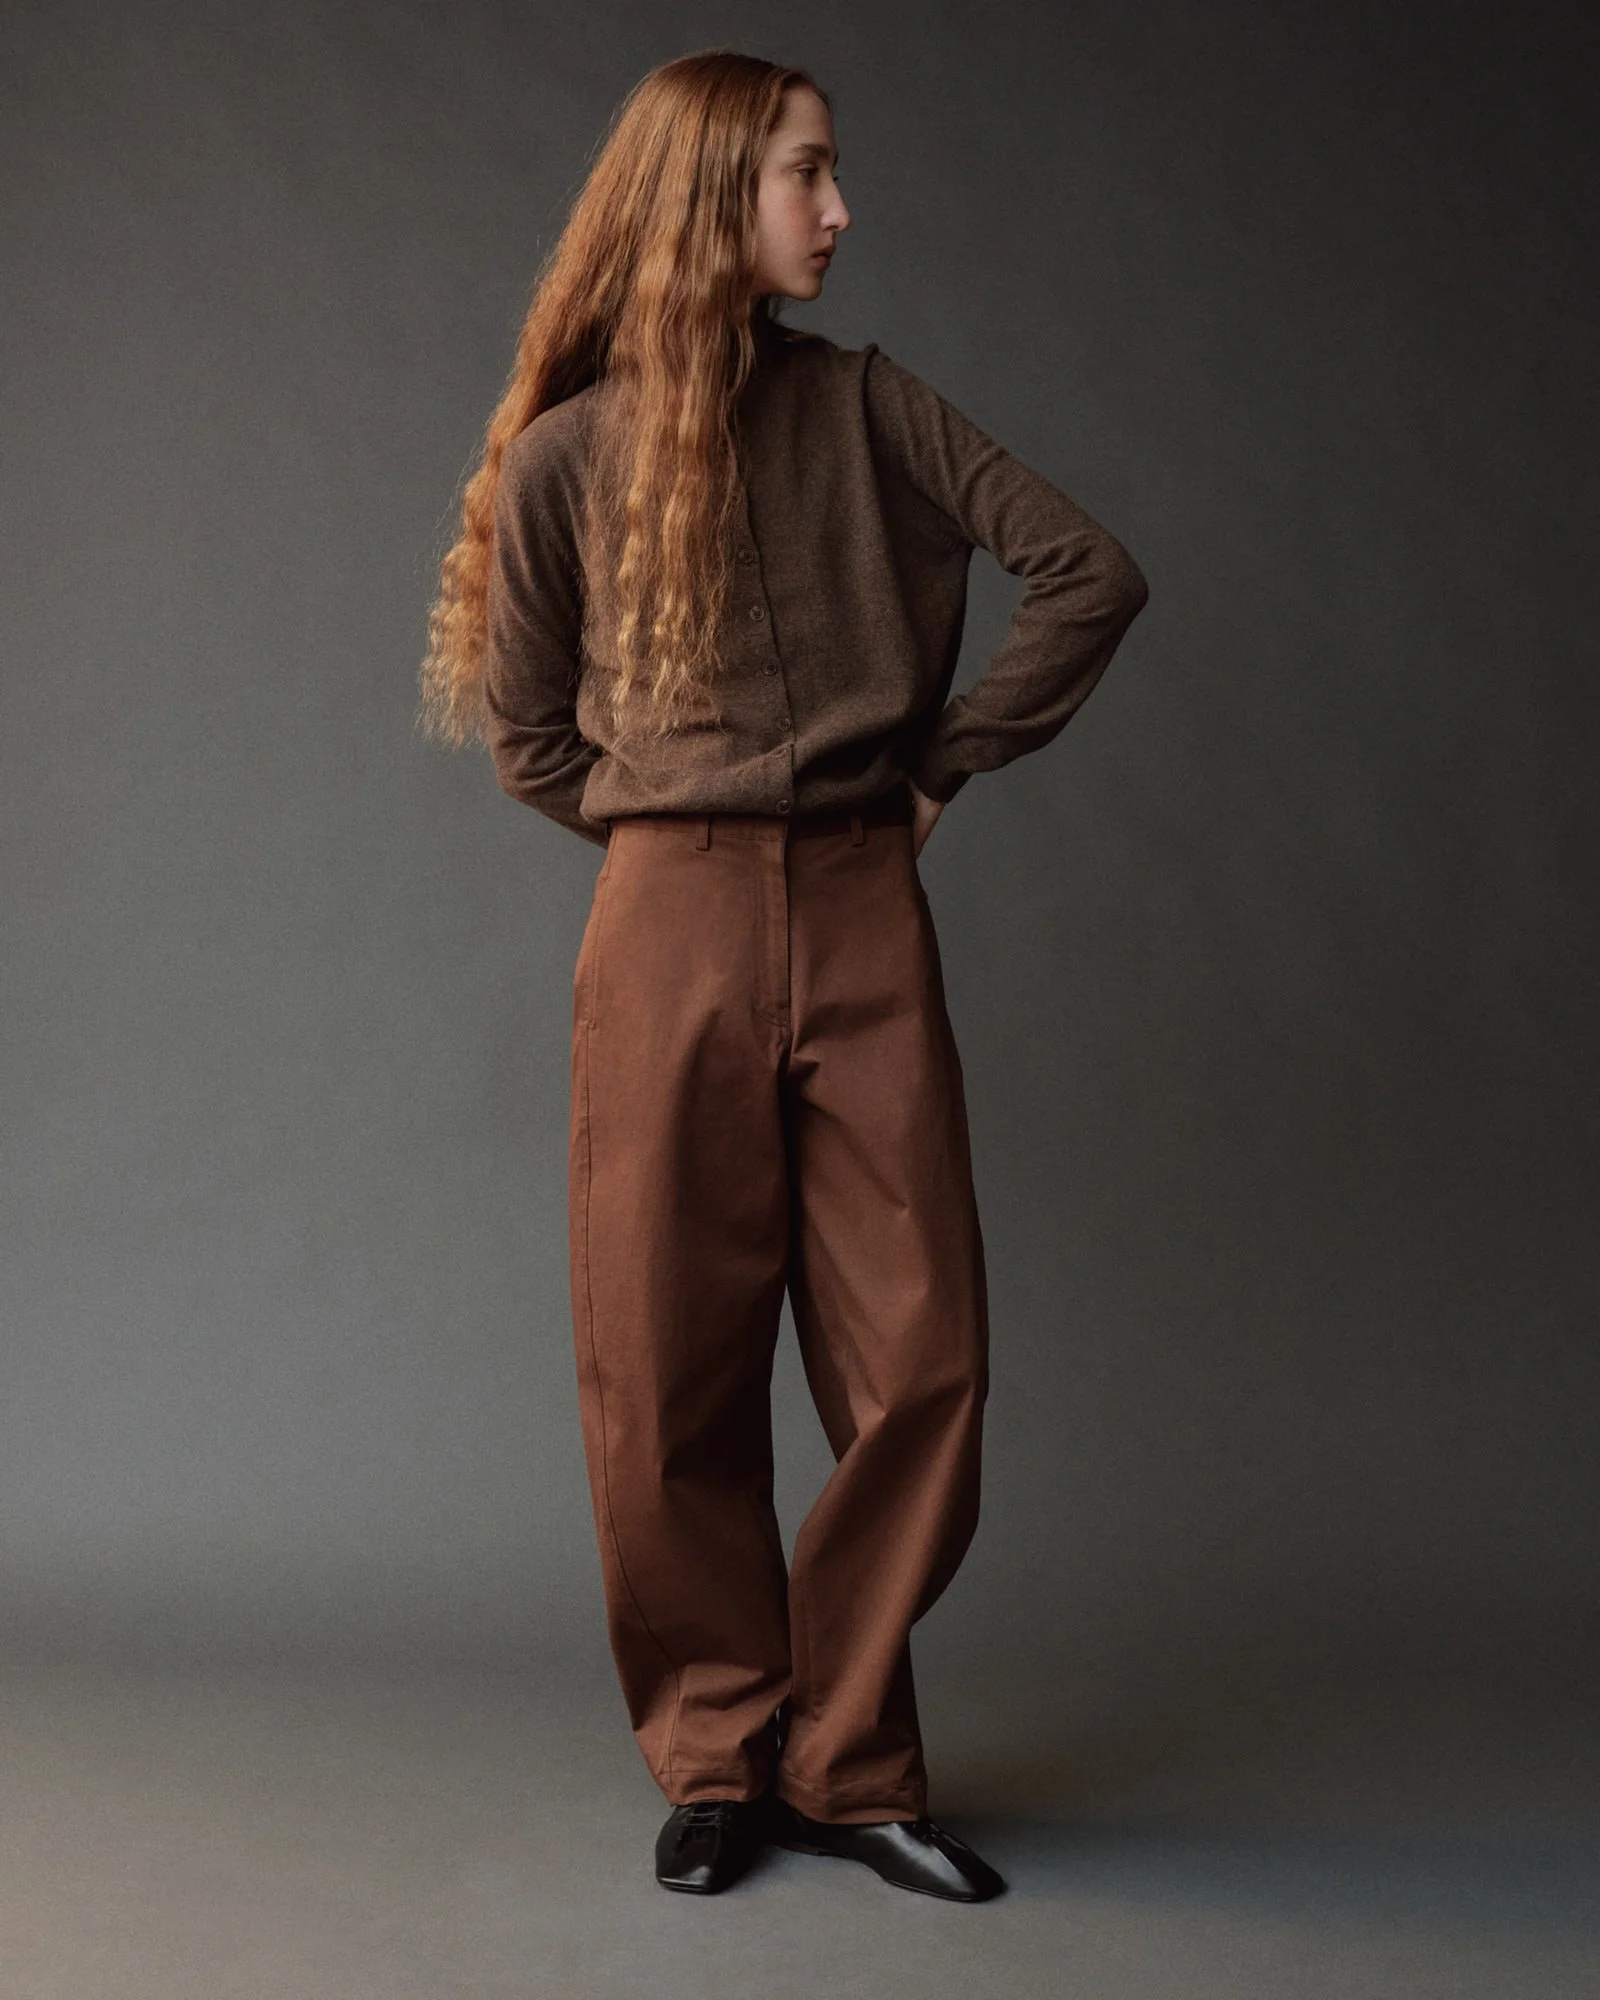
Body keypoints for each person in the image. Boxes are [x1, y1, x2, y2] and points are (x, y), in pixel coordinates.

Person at [419, 49, 1149, 1904]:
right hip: (664, 923)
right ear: (705, 196)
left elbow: (1088, 571)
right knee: (662, 1363)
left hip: (862, 901)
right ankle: (719, 1756)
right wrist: (677, 842)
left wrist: (937, 766)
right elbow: (531, 743)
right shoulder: (570, 460)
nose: (838, 209)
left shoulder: (872, 408)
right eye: (805, 173)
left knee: (924, 1363)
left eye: (832, 172)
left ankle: (846, 1758)